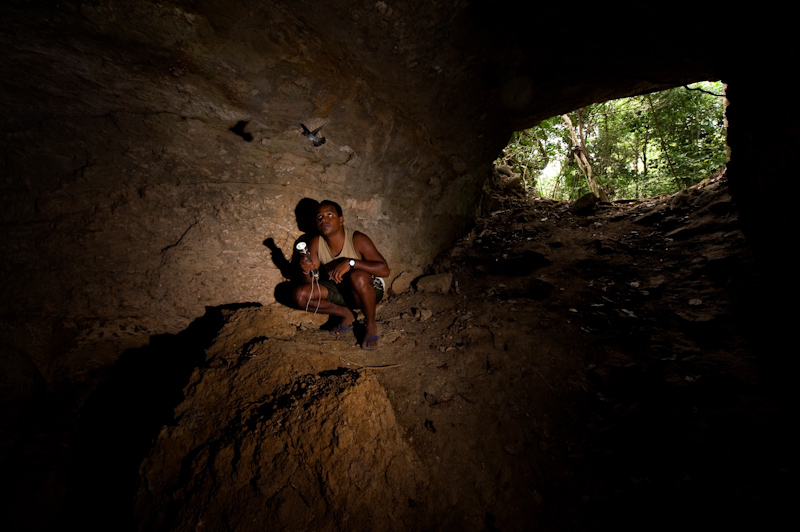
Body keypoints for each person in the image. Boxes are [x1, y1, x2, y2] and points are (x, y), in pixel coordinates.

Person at [293, 200, 390, 350]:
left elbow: (384, 270)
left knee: (358, 276)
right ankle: (346, 315)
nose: (323, 219)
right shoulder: (316, 243)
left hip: (368, 290)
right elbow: (310, 283)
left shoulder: (357, 239)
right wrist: (306, 269)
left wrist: (351, 263)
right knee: (300, 295)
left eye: (329, 215)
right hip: (340, 291)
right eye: (319, 217)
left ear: (341, 220)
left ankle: (370, 325)